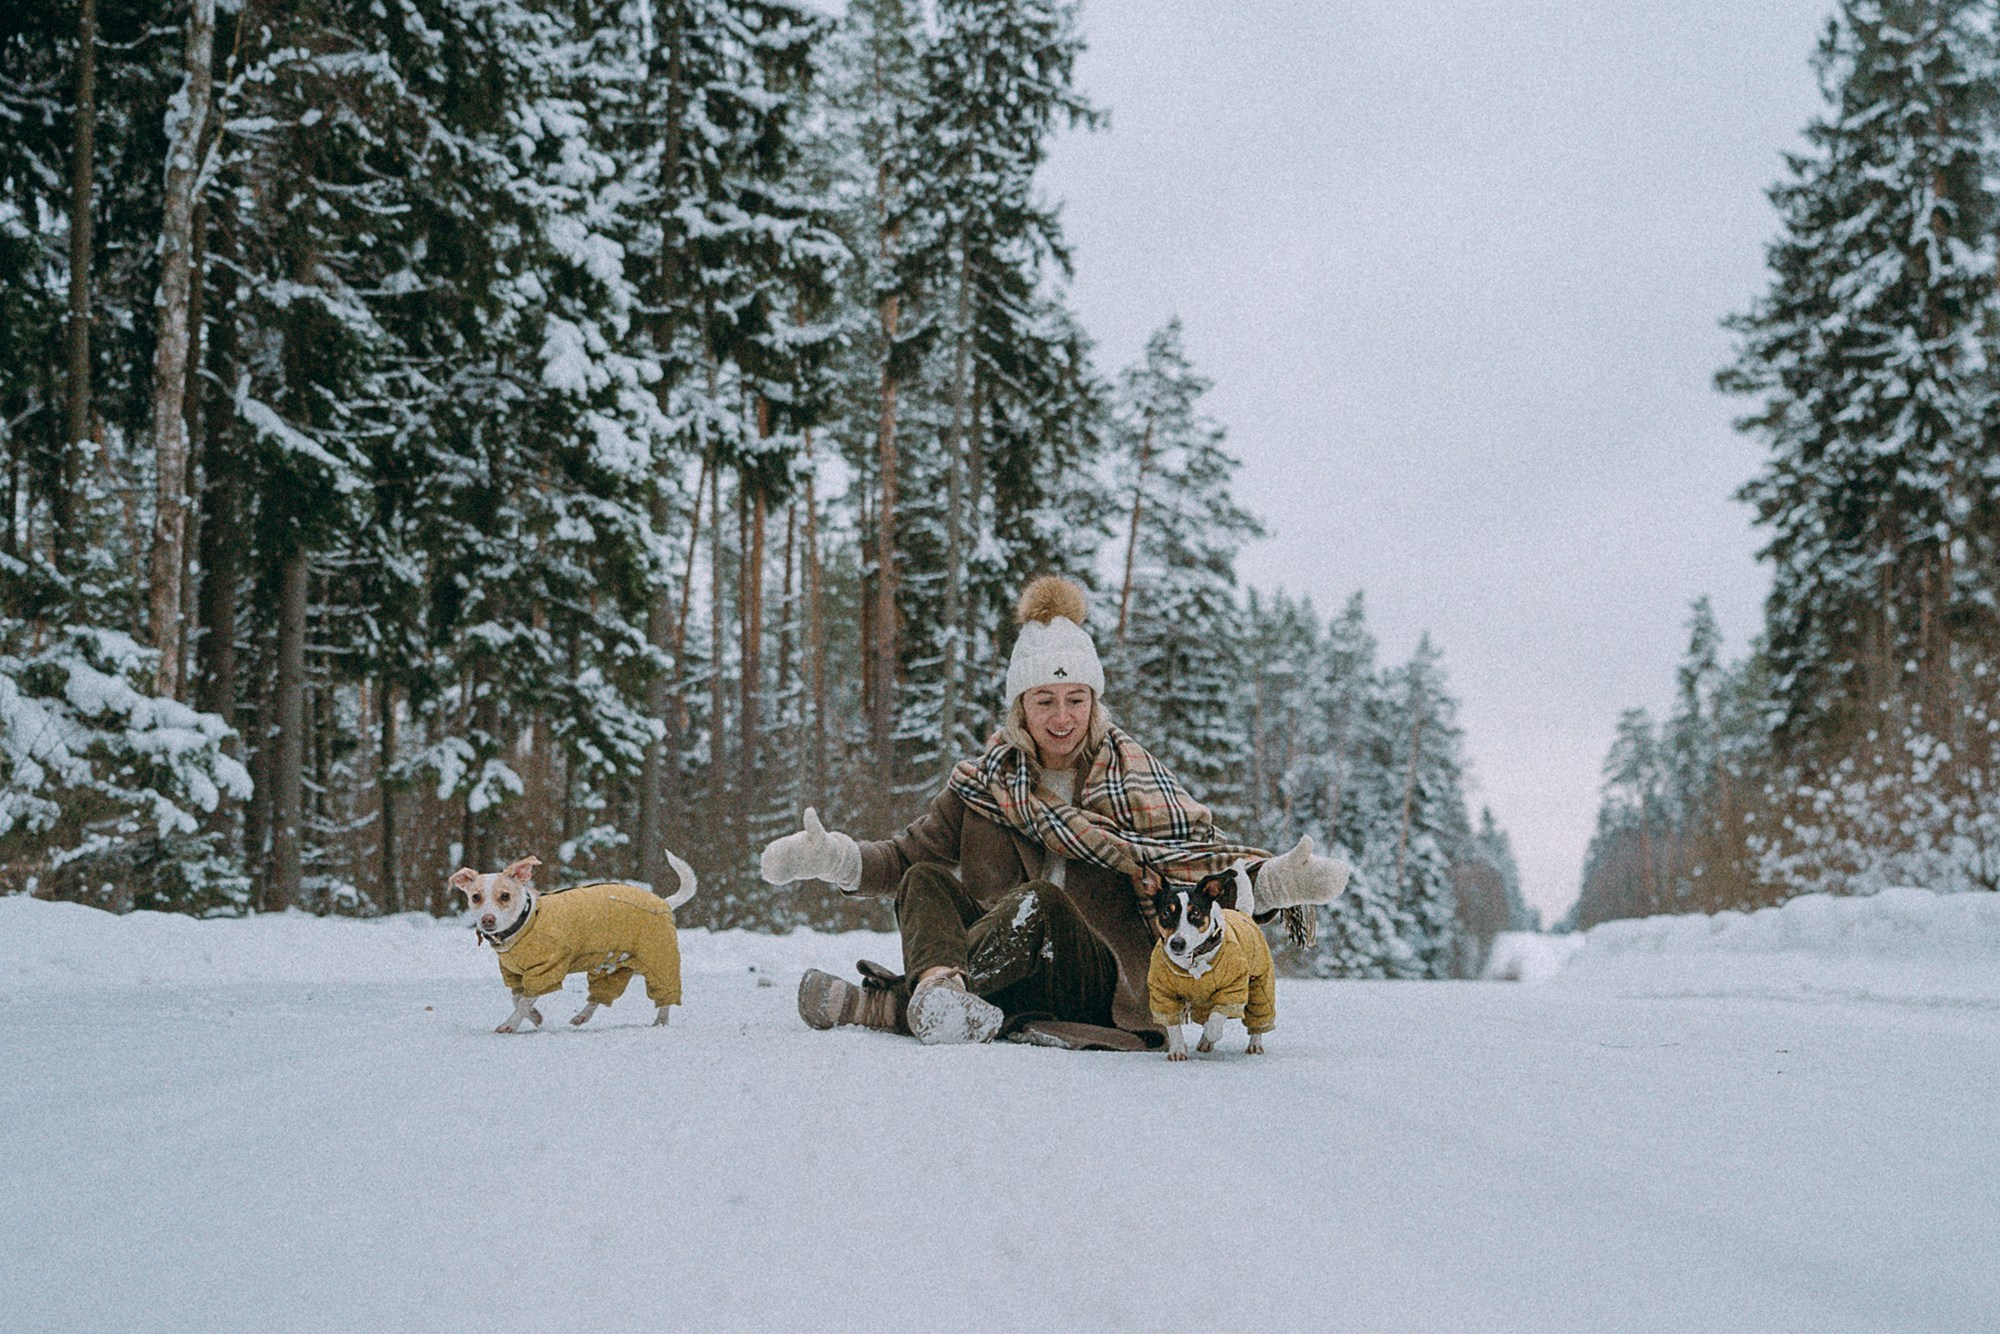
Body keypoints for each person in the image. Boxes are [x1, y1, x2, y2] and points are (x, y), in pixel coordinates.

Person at [757, 575, 1349, 1048]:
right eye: (1045, 701)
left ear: (1093, 703)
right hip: (1002, 965)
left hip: (1097, 978)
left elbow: (1195, 866)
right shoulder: (984, 785)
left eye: (1075, 699)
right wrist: (832, 858)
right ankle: (941, 992)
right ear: (1022, 707)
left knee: (1041, 900)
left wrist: (1273, 883)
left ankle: (886, 1006)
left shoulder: (1135, 779)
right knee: (925, 878)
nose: (1061, 717)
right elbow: (903, 857)